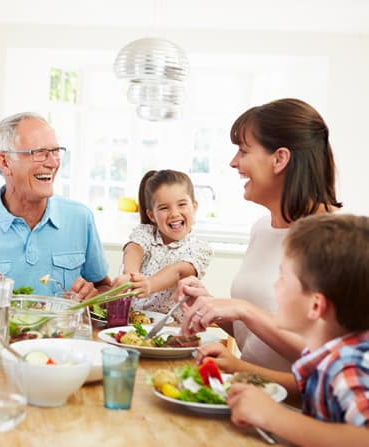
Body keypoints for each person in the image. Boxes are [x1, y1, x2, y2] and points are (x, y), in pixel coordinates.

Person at [178, 98, 341, 371]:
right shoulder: (262, 228)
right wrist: (213, 306)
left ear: (279, 158)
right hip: (248, 396)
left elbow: (326, 363)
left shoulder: (335, 242)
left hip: (289, 409)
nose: (233, 162)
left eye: (243, 151)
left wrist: (244, 310)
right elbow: (255, 338)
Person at [223, 214, 369, 447]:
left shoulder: (348, 365)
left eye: (282, 277)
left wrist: (274, 417)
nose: (275, 285)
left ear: (315, 305)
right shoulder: (327, 357)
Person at [0, 112, 111, 308]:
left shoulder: (80, 218)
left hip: (60, 338)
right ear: (5, 162)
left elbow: (104, 287)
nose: (53, 163)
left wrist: (94, 297)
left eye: (55, 151)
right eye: (39, 152)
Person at [111, 169, 212, 321]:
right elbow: (133, 250)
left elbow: (178, 271)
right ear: (151, 215)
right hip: (131, 323)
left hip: (171, 329)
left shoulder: (199, 248)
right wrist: (130, 277)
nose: (174, 213)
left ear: (194, 207)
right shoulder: (146, 233)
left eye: (182, 204)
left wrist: (149, 285)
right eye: (164, 208)